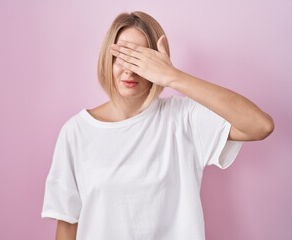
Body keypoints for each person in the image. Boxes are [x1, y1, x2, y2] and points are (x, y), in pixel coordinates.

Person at [41, 11, 274, 240]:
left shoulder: (183, 118)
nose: (130, 69)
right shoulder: (76, 132)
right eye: (123, 56)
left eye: (141, 59)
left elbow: (260, 125)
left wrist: (174, 77)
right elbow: (68, 223)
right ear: (106, 58)